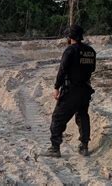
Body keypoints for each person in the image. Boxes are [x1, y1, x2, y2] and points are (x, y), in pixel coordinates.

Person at [42, 24, 96, 157]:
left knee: (58, 118)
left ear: (70, 37)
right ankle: (84, 147)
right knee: (82, 116)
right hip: (85, 90)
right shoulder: (90, 51)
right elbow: (92, 69)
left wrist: (56, 87)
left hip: (71, 90)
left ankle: (55, 148)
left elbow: (62, 70)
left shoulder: (70, 51)